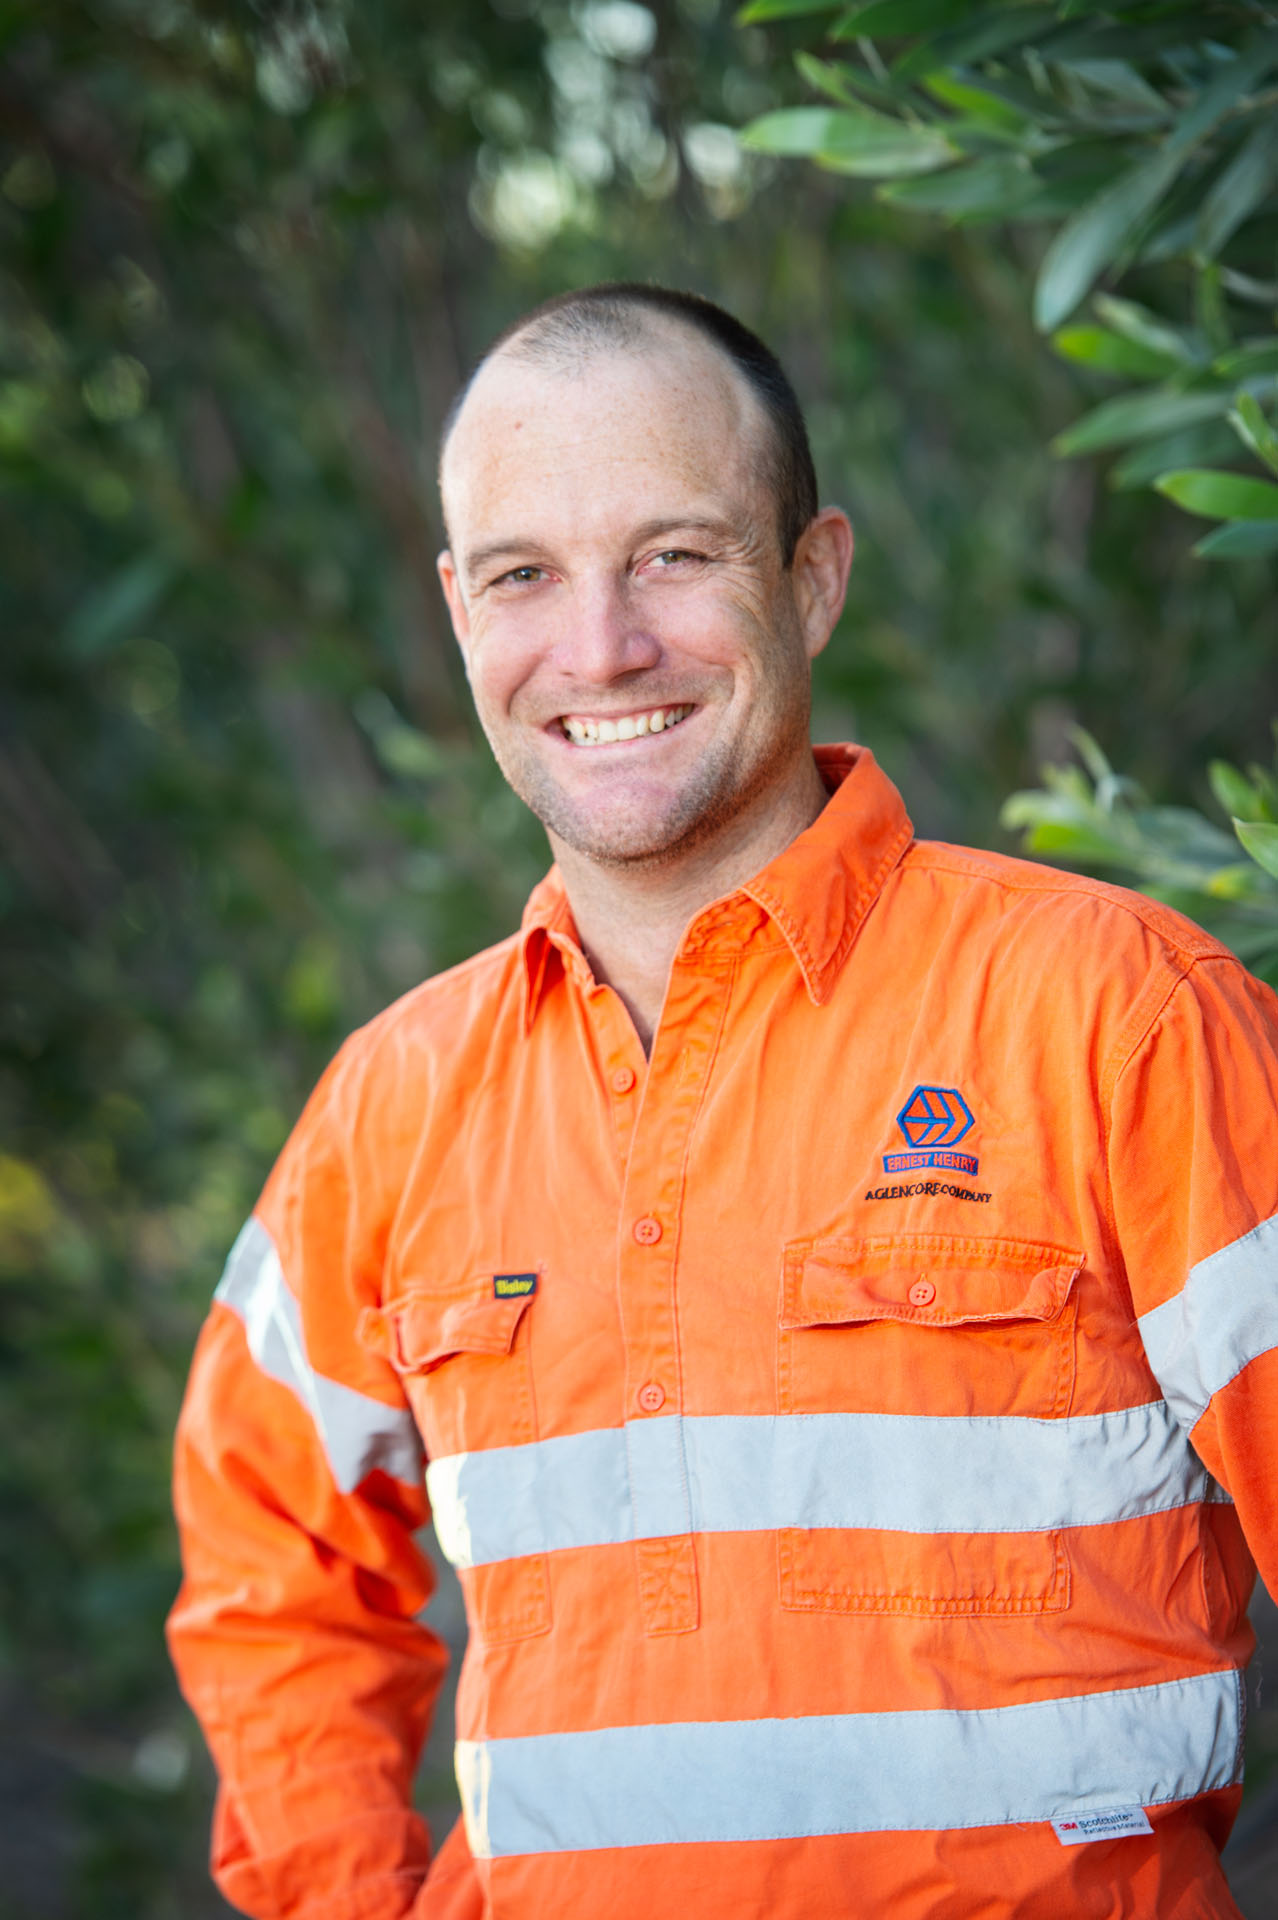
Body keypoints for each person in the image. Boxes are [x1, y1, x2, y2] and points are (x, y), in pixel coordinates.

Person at [168, 283, 1278, 1920]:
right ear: (460, 612)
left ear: (810, 579)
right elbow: (274, 1578)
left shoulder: (1113, 1015)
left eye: (674, 556)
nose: (600, 645)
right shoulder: (390, 1105)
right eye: (523, 575)